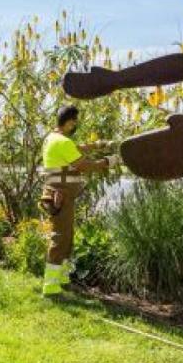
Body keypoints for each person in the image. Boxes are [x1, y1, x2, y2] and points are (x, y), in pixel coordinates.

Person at [39, 105, 118, 296]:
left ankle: (62, 278)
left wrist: (98, 145)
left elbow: (77, 148)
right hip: (61, 196)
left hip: (60, 194)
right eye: (75, 122)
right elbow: (83, 165)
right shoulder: (62, 142)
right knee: (60, 238)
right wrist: (108, 162)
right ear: (69, 122)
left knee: (67, 237)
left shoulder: (52, 138)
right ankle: (50, 286)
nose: (76, 125)